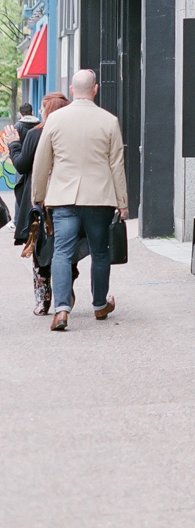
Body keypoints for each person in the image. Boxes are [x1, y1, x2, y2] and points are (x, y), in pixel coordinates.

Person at [31, 69, 128, 332]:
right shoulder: (109, 121)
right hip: (100, 197)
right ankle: (99, 305)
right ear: (95, 89)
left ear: (72, 91)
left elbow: (42, 161)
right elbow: (117, 165)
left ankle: (62, 309)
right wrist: (123, 202)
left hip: (63, 197)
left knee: (62, 252)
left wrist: (38, 197)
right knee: (99, 252)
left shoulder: (56, 119)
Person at [11, 92, 69, 314]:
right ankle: (66, 291)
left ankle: (43, 299)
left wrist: (15, 145)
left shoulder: (36, 135)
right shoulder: (69, 133)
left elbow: (22, 165)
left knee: (40, 249)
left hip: (41, 200)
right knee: (65, 247)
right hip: (67, 198)